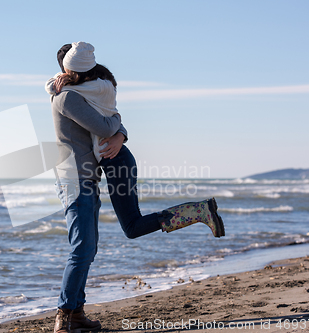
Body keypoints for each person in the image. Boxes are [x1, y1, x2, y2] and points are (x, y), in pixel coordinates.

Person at [48, 42, 225, 333]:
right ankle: (65, 315)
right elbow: (107, 125)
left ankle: (75, 313)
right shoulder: (67, 98)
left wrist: (121, 133)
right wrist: (120, 131)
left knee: (88, 248)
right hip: (74, 180)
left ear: (68, 70)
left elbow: (108, 121)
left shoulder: (84, 94)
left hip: (89, 178)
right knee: (85, 246)